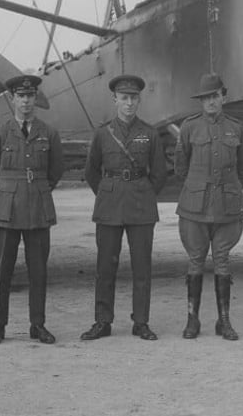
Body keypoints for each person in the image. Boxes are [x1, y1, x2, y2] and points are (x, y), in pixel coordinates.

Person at [80, 75, 168, 341]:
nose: (129, 103)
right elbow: (91, 171)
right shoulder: (103, 133)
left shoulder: (149, 133)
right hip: (109, 205)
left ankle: (140, 322)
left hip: (141, 205)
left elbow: (160, 174)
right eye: (124, 98)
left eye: (133, 98)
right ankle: (102, 321)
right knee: (105, 267)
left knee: (142, 268)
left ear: (139, 100)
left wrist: (142, 192)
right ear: (115, 100)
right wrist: (109, 191)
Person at [0, 74, 64, 346]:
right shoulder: (1, 132)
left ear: (35, 99)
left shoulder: (48, 133)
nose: (26, 101)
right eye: (21, 96)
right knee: (2, 270)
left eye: (30, 96)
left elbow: (55, 172)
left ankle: (38, 325)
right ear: (13, 99)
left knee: (38, 270)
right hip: (8, 209)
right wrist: (9, 189)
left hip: (38, 207)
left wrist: (35, 188)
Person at [173, 73, 243, 341]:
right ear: (201, 101)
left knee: (222, 259)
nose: (210, 102)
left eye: (214, 96)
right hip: (195, 207)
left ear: (223, 97)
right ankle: (192, 320)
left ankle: (224, 321)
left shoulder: (236, 128)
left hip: (226, 207)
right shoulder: (189, 127)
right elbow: (180, 167)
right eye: (205, 98)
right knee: (195, 260)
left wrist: (228, 189)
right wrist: (197, 186)